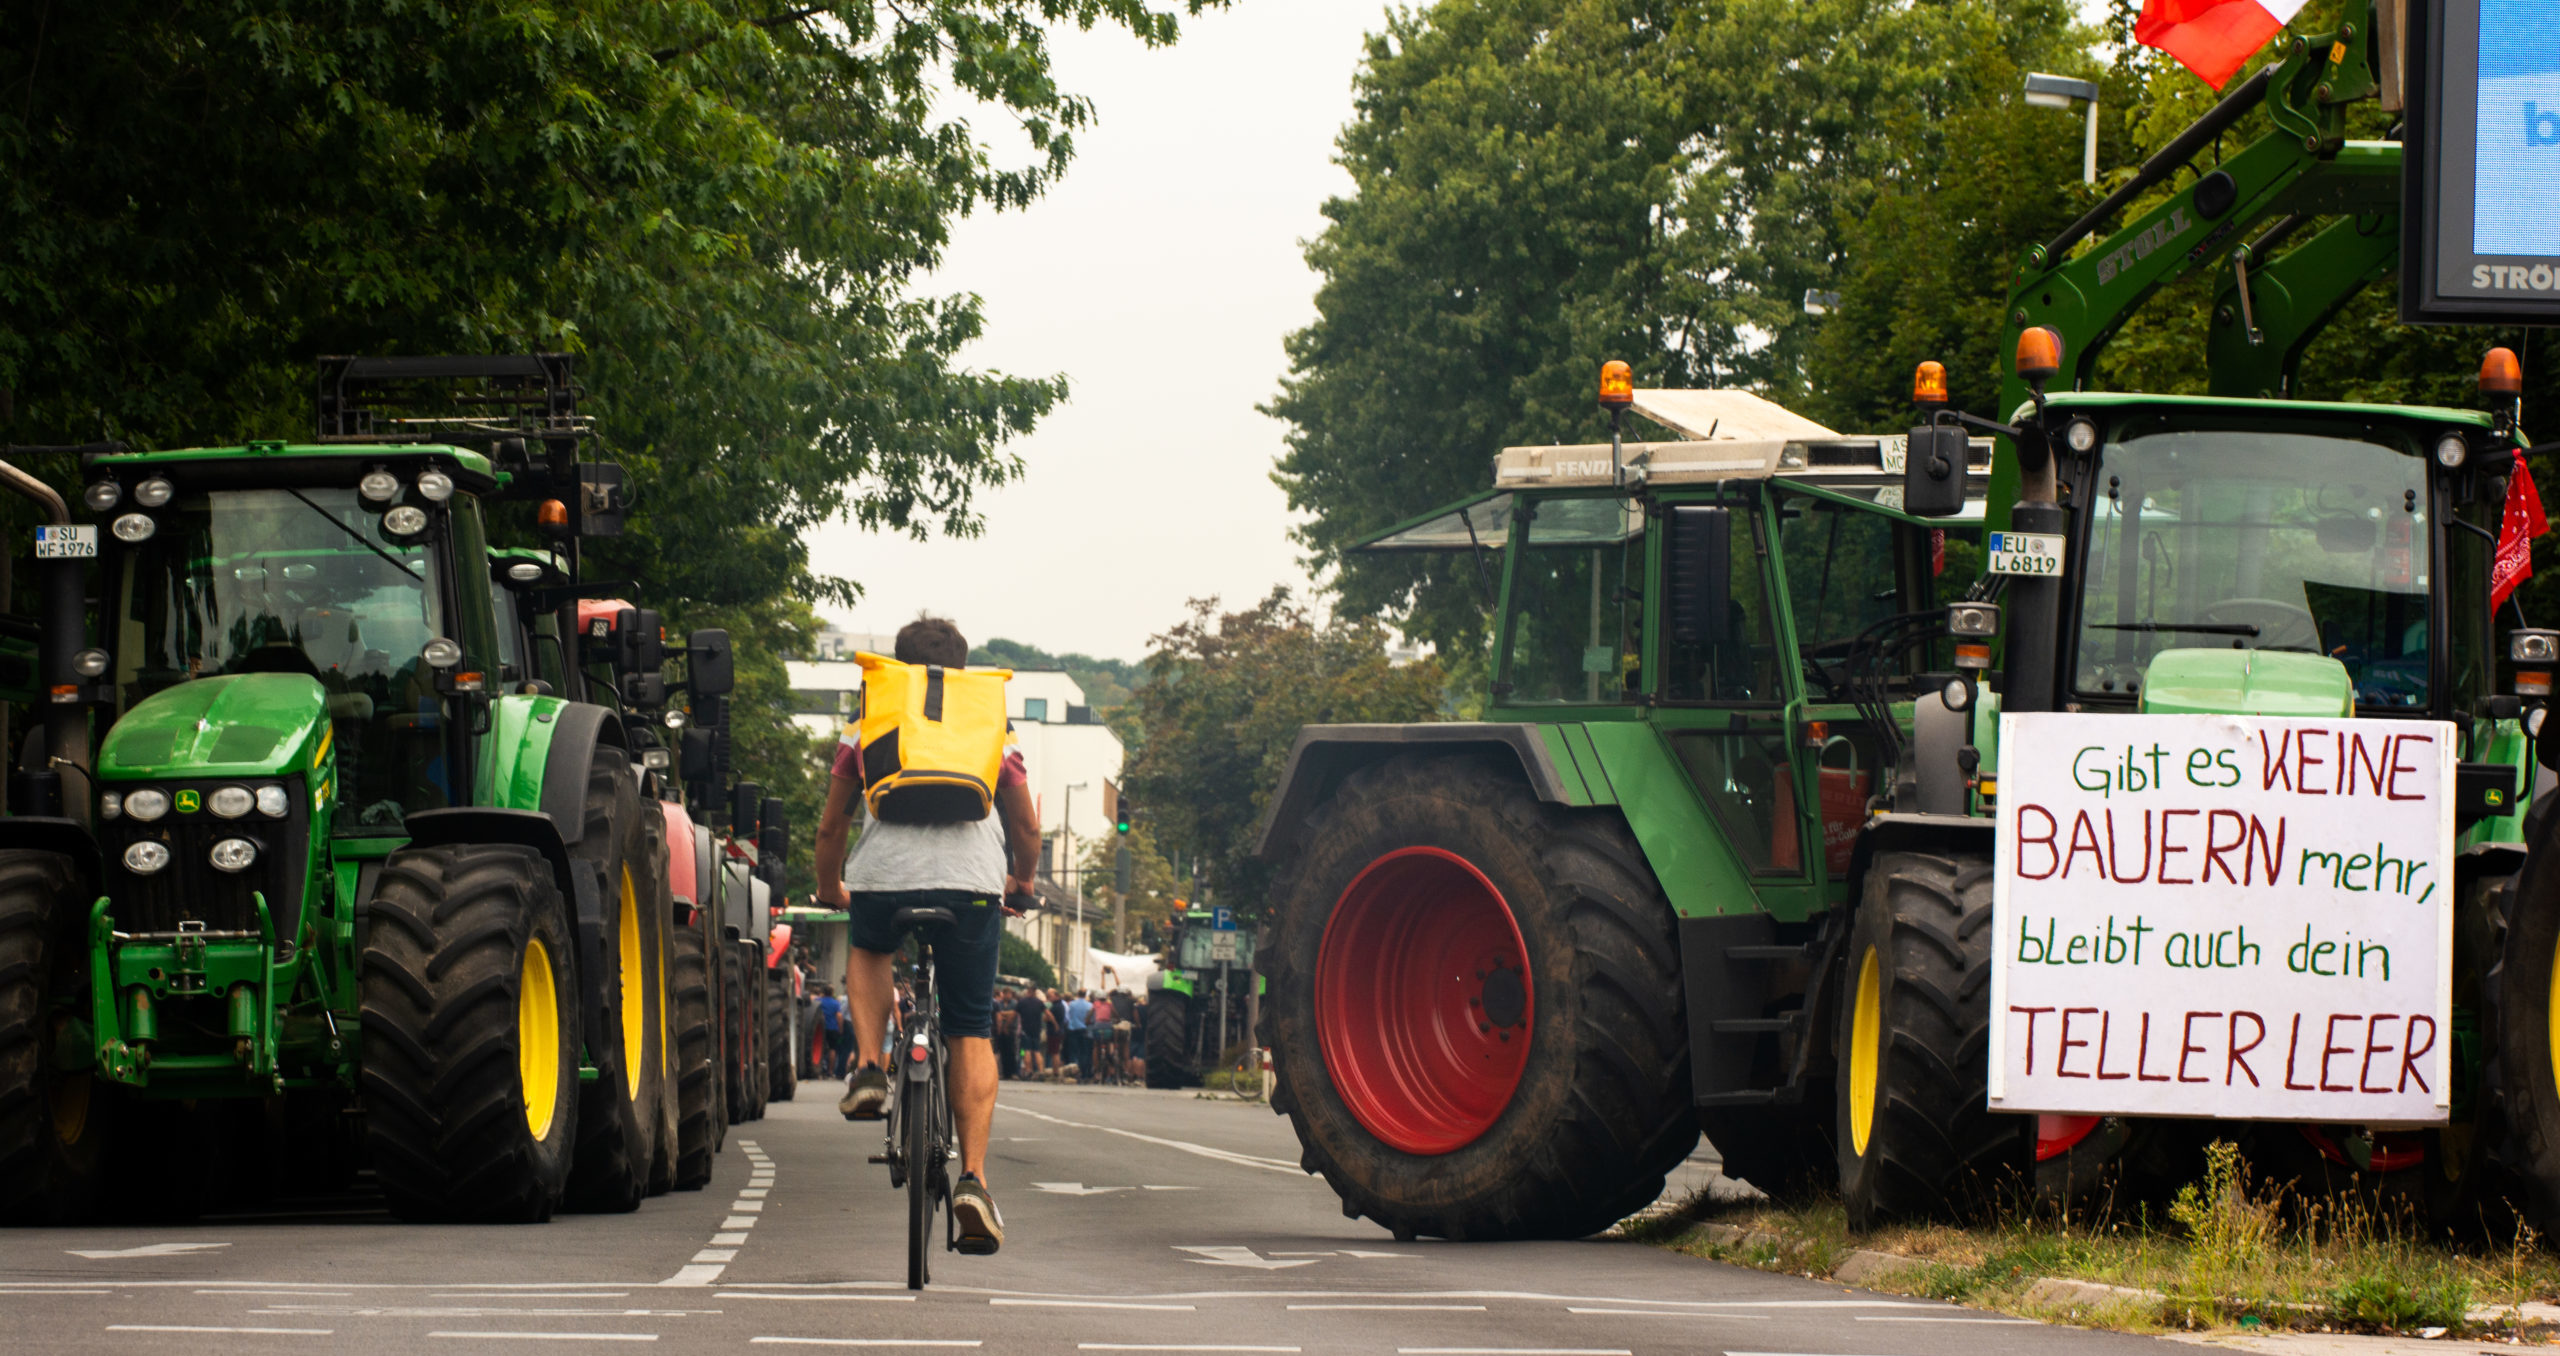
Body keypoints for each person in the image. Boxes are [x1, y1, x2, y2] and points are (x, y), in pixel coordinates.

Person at [815, 615, 1039, 1256]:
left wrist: (832, 887)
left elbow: (833, 826)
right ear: (961, 669)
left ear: (900, 665)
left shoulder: (870, 719)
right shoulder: (992, 724)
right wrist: (1021, 881)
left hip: (885, 882)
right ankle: (973, 1178)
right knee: (968, 1029)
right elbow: (1024, 827)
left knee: (870, 947)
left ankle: (866, 1068)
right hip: (971, 887)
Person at [1014, 986, 1049, 1077]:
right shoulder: (1039, 1003)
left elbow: (1014, 1016)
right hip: (1036, 1031)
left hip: (1022, 1033)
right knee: (1036, 1051)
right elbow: (1048, 1014)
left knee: (1023, 1051)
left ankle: (1025, 1069)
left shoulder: (1021, 1004)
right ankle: (1040, 1071)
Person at [815, 985, 848, 1079]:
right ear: (832, 993)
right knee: (832, 1049)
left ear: (823, 992)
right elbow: (839, 1016)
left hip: (820, 1028)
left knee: (819, 1048)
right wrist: (841, 1029)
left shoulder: (818, 1001)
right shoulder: (835, 1003)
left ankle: (819, 1070)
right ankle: (830, 1071)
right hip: (833, 1028)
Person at [1064, 989, 1093, 1083]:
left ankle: (1073, 1073)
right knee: (1084, 1053)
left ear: (1077, 994)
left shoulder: (1072, 1004)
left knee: (1073, 1052)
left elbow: (1068, 1016)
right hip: (1085, 1030)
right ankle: (1084, 1073)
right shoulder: (1090, 1005)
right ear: (1085, 995)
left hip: (1073, 1030)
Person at [993, 988, 1020, 1081]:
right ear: (1003, 994)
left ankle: (1013, 1072)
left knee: (1012, 1052)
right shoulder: (999, 1003)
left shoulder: (1014, 1003)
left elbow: (1014, 1014)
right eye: (1007, 994)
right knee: (1003, 1052)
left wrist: (1003, 1014)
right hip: (1000, 1030)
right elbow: (998, 1014)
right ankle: (1005, 1073)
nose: (1008, 996)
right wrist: (1006, 1014)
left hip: (1011, 1030)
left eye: (1010, 994)